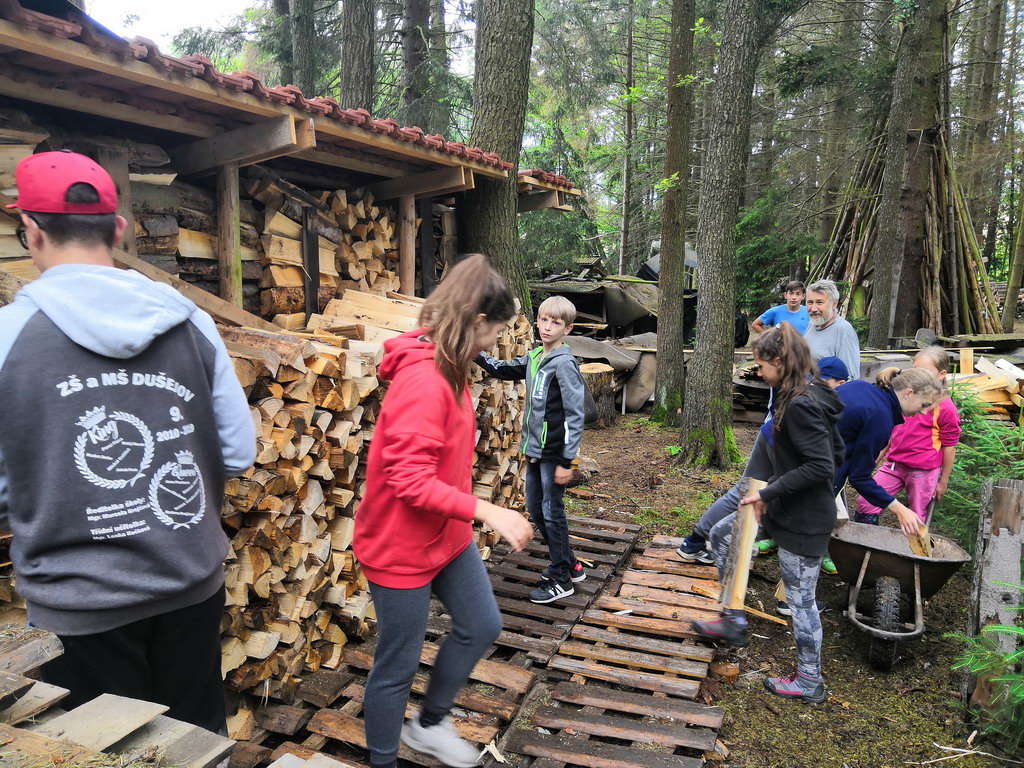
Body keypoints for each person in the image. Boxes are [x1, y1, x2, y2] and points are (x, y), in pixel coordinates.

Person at [0, 151, 256, 733]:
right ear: (118, 229)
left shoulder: (8, 340)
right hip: (190, 585)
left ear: (31, 229)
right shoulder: (191, 322)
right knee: (198, 739)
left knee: (107, 750)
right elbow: (239, 452)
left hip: (81, 607)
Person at [353, 254, 533, 768]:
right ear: (477, 320)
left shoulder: (451, 366)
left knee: (482, 625)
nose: (495, 343)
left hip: (445, 537)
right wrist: (487, 510)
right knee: (397, 666)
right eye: (495, 331)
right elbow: (408, 480)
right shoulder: (425, 380)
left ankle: (429, 725)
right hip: (399, 547)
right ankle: (384, 761)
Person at [691, 325, 844, 704]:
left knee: (801, 602)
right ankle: (733, 620)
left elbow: (823, 465)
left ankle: (810, 680)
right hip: (784, 504)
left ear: (780, 360)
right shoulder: (797, 394)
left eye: (761, 365)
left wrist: (770, 491)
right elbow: (836, 450)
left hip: (805, 519)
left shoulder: (803, 403)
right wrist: (775, 488)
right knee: (722, 535)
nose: (758, 372)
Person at [475, 295, 586, 604]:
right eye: (544, 320)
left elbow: (575, 414)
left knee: (551, 511)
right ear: (537, 321)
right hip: (535, 449)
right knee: (537, 509)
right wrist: (474, 352)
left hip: (554, 453)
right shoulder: (535, 357)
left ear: (567, 329)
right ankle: (571, 564)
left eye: (556, 323)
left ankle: (561, 578)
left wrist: (569, 460)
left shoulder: (564, 364)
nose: (547, 327)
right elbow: (501, 369)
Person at [855, 347, 960, 526]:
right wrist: (875, 459)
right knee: (866, 502)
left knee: (916, 515)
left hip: (923, 470)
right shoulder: (904, 397)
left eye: (925, 371)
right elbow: (890, 433)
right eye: (916, 369)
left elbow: (949, 446)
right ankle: (866, 539)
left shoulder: (945, 407)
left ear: (941, 375)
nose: (919, 375)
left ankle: (913, 544)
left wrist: (943, 481)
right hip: (894, 465)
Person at [803, 279, 861, 380]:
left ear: (834, 304)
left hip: (828, 390)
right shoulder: (812, 324)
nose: (813, 309)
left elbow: (850, 377)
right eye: (810, 302)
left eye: (819, 302)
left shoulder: (843, 330)